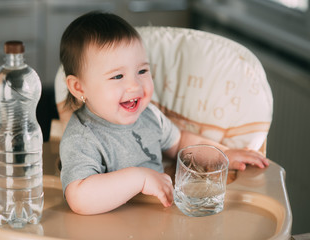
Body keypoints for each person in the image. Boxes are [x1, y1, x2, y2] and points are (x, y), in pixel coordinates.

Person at [59, 11, 269, 215]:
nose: (135, 85)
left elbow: (180, 143)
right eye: (117, 76)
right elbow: (79, 198)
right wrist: (139, 179)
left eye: (142, 71)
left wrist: (221, 155)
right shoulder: (82, 138)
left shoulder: (149, 115)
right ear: (79, 88)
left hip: (158, 218)